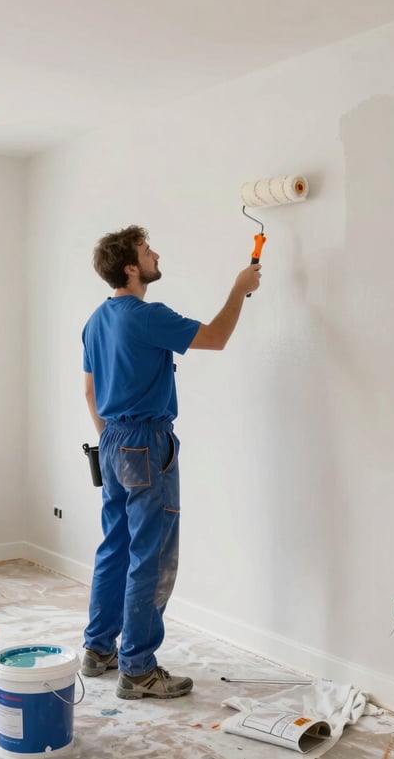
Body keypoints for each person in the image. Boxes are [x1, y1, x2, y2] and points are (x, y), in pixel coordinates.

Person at [80, 225, 261, 700]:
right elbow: (216, 337)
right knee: (151, 555)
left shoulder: (96, 320)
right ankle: (137, 668)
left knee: (115, 545)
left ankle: (98, 649)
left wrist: (113, 446)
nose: (157, 254)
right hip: (144, 439)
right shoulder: (146, 316)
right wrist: (239, 289)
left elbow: (89, 391)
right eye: (146, 250)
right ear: (130, 267)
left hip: (113, 439)